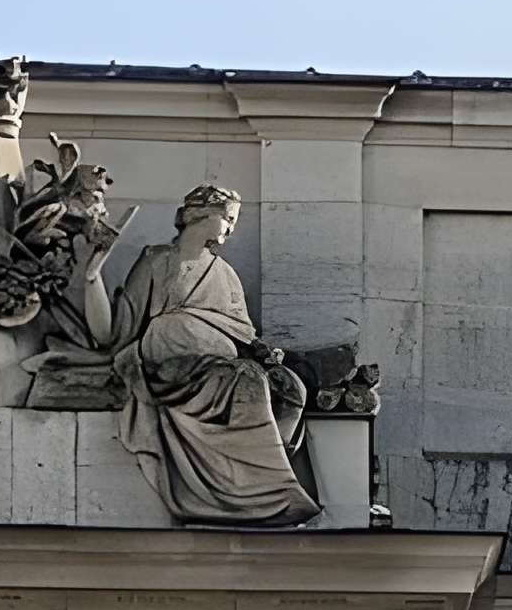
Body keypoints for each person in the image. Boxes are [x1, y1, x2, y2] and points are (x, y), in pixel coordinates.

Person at [59, 182, 318, 525]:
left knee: (289, 387)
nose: (231, 227)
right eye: (228, 218)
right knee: (246, 381)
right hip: (170, 366)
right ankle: (258, 493)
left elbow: (243, 332)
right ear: (202, 214)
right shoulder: (157, 260)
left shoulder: (225, 275)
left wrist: (265, 353)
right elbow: (116, 331)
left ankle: (259, 483)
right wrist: (92, 278)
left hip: (221, 365)